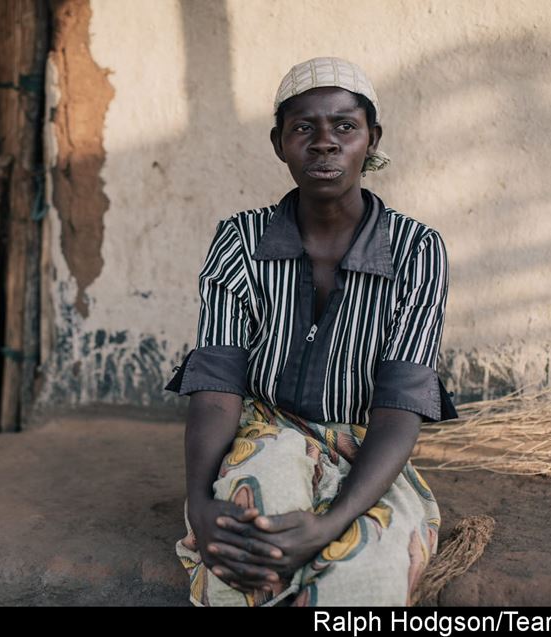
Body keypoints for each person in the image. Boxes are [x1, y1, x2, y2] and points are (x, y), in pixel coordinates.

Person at [167, 57, 457, 606]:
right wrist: (201, 504)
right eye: (303, 127)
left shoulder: (417, 251)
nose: (324, 142)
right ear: (280, 143)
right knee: (253, 541)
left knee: (366, 579)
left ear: (372, 139)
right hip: (263, 432)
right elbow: (217, 388)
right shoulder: (240, 242)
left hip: (365, 449)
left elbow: (398, 409)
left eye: (345, 126)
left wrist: (332, 524)